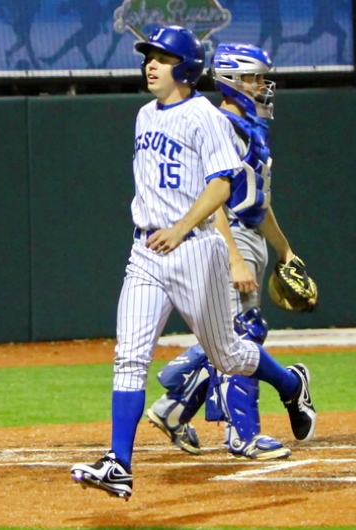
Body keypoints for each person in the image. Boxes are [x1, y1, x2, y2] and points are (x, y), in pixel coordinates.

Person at [69, 26, 316, 501]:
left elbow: (223, 185)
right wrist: (161, 229)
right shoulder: (143, 115)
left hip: (194, 250)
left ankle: (290, 383)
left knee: (227, 355)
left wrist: (183, 230)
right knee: (129, 356)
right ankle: (119, 463)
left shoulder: (205, 115)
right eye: (149, 56)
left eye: (161, 57)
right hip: (145, 251)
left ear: (185, 68)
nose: (150, 64)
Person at [146, 43, 301, 461]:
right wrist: (231, 256)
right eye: (253, 77)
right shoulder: (221, 125)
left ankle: (175, 406)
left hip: (247, 235)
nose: (262, 85)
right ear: (232, 79)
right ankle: (242, 433)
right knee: (242, 334)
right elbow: (212, 197)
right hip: (227, 237)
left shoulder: (250, 127)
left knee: (232, 335)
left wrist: (284, 251)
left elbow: (256, 201)